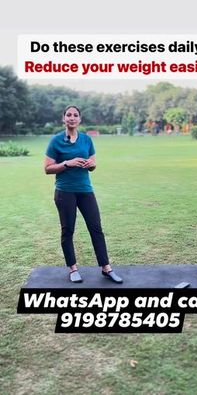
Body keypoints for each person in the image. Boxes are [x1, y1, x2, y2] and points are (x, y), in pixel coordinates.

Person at [44, 105, 123, 284]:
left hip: (85, 191)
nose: (72, 118)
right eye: (69, 115)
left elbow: (93, 164)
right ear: (63, 118)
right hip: (65, 192)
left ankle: (106, 268)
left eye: (75, 115)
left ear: (80, 119)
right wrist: (67, 163)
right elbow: (47, 169)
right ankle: (73, 269)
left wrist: (90, 165)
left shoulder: (86, 140)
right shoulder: (55, 141)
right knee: (68, 230)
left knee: (96, 228)